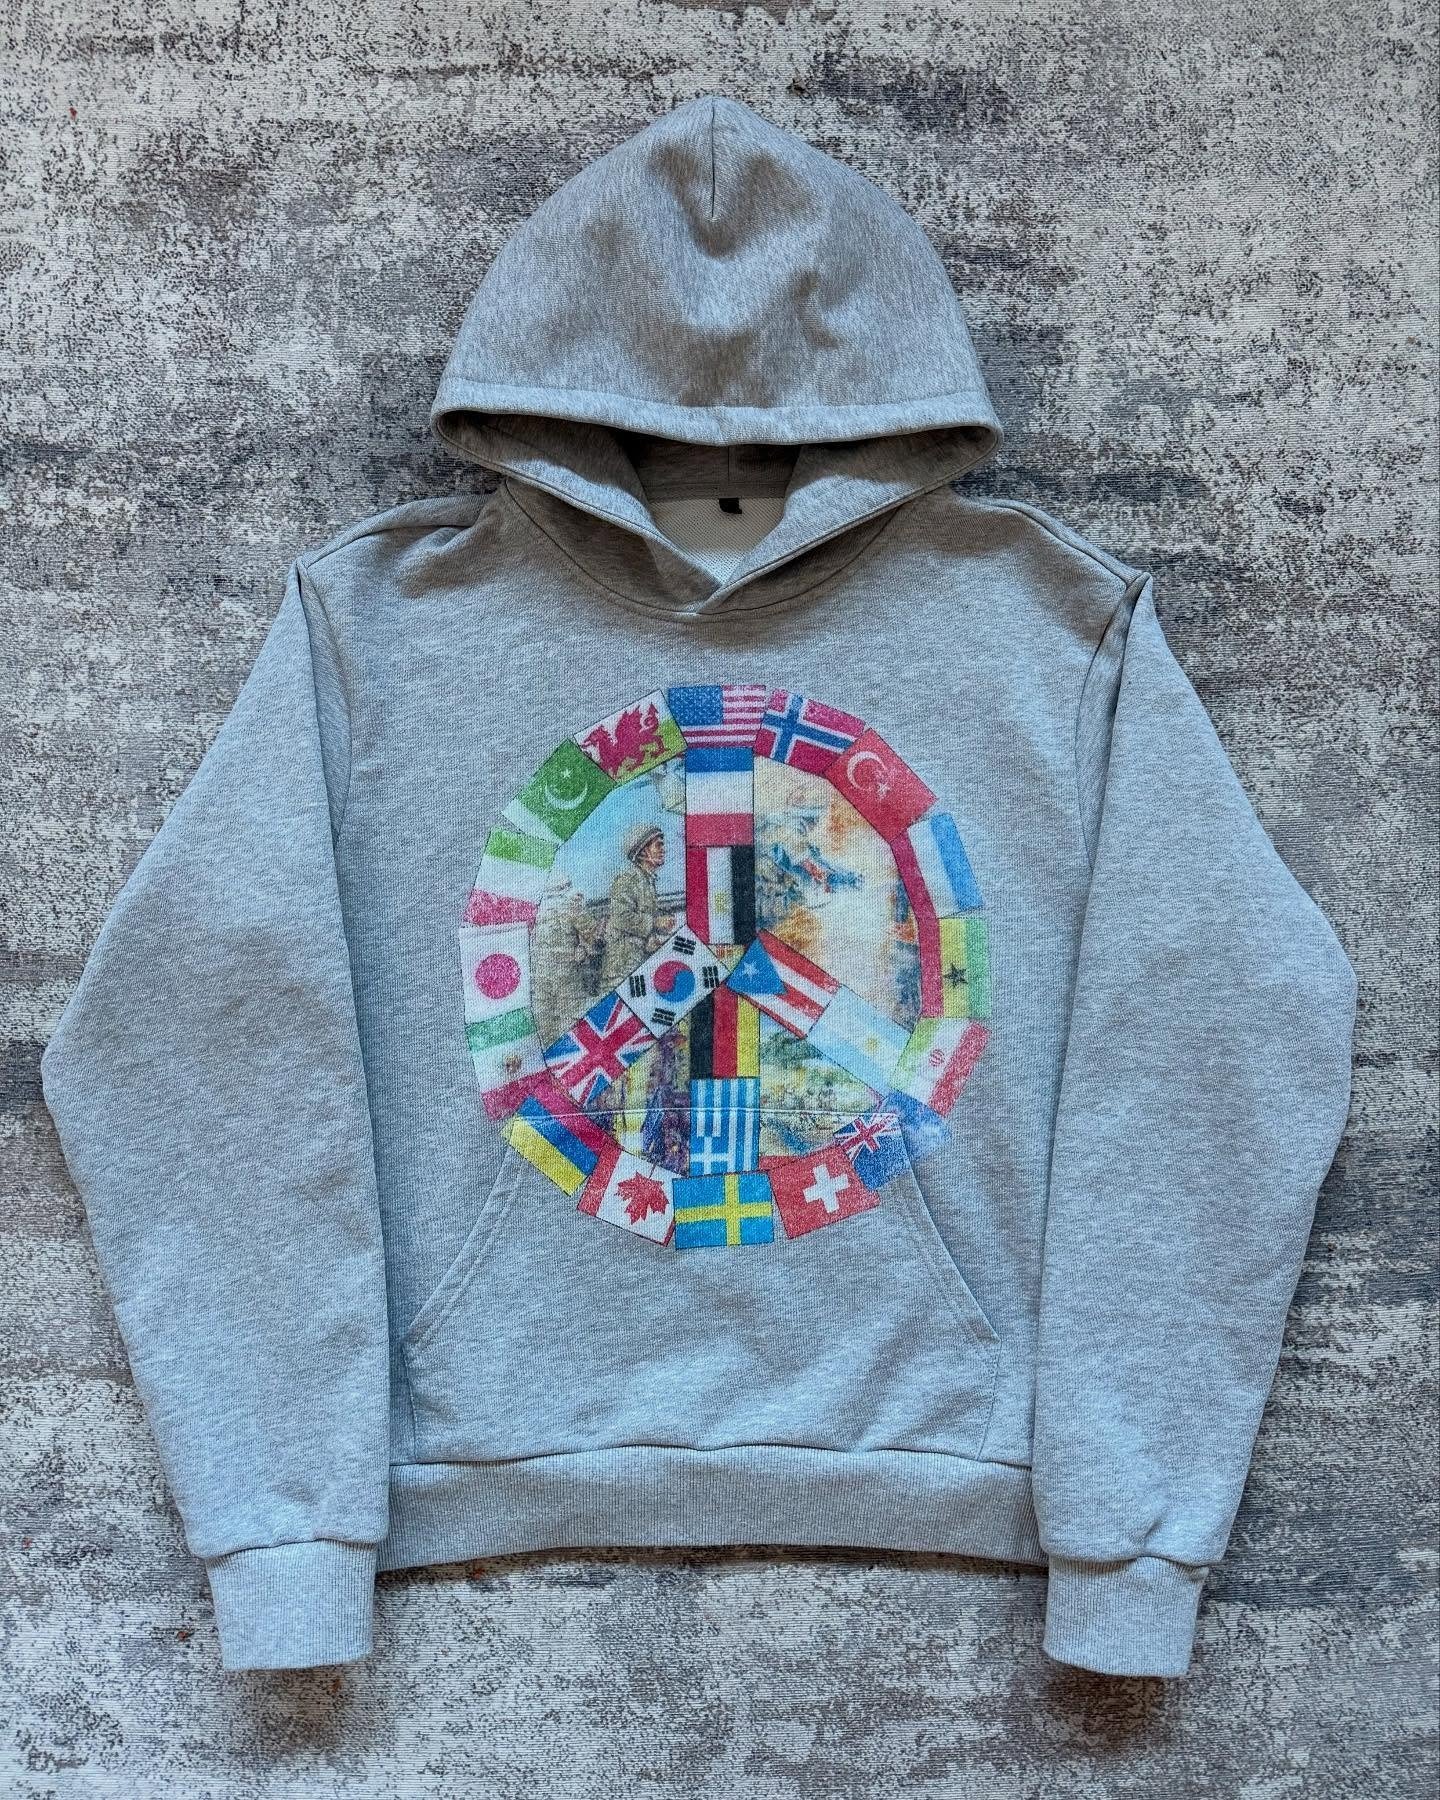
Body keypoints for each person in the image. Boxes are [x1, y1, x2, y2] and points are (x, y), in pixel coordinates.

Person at [600, 822, 675, 988]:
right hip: (621, 970)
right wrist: (655, 923)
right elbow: (620, 918)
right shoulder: (628, 880)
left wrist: (654, 936)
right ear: (643, 851)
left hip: (637, 964)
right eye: (658, 845)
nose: (663, 850)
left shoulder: (647, 881)